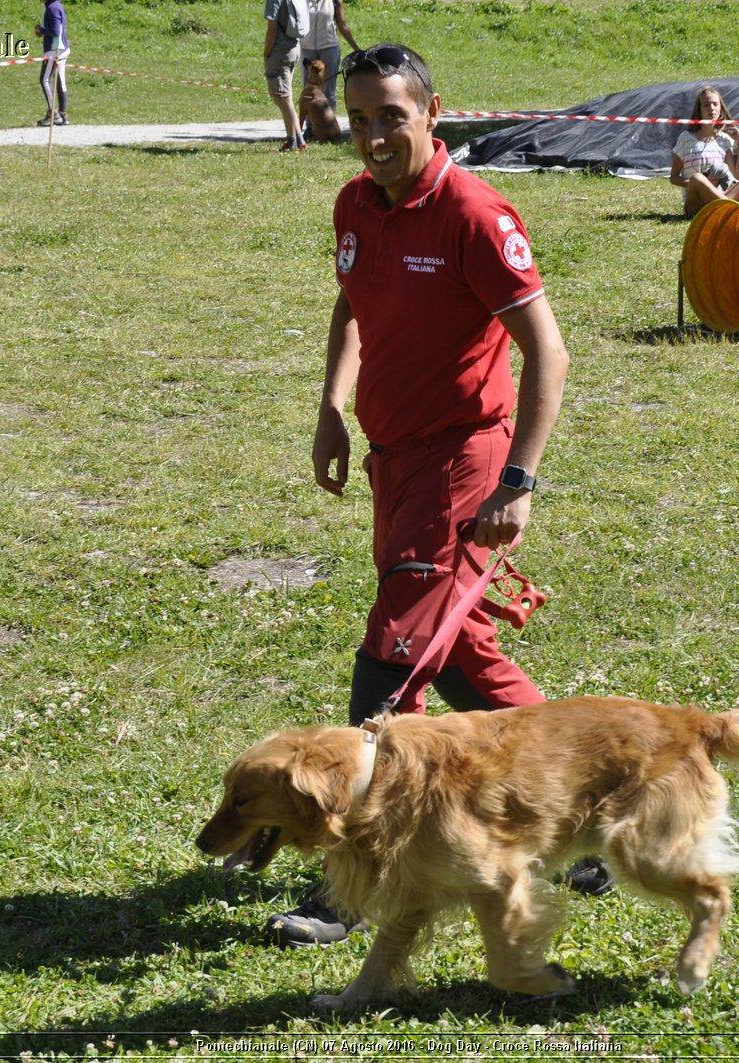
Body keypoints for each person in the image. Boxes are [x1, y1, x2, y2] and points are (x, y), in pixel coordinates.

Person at [267, 41, 579, 946]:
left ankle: (352, 882)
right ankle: (586, 812)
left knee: (391, 662)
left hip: (463, 462)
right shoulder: (356, 203)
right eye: (357, 119)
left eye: (389, 118)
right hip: (392, 461)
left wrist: (518, 477)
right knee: (461, 653)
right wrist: (331, 405)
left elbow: (547, 350)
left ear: (432, 114)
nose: (370, 137)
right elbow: (353, 303)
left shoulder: (475, 214)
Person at [669, 86, 739, 218]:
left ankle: (727, 207)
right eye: (706, 105)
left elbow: (738, 177)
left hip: (723, 196)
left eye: (715, 104)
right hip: (697, 206)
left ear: (720, 109)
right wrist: (704, 185)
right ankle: (731, 207)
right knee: (697, 178)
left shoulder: (724, 140)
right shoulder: (686, 137)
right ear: (699, 110)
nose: (711, 108)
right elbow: (674, 178)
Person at [298, 0, 361, 136]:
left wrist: (357, 49)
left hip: (329, 47)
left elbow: (342, 25)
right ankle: (310, 128)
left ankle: (329, 127)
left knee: (328, 90)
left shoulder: (334, 1)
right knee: (308, 91)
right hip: (306, 48)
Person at [263, 0, 308, 151]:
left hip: (280, 51)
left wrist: (267, 53)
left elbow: (272, 29)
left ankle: (292, 141)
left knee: (282, 97)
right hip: (294, 48)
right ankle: (299, 140)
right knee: (286, 97)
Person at [35, 0, 69, 127]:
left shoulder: (52, 8)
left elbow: (55, 31)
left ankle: (53, 114)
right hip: (63, 49)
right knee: (60, 81)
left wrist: (41, 30)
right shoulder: (55, 5)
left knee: (44, 80)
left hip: (54, 51)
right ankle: (63, 114)